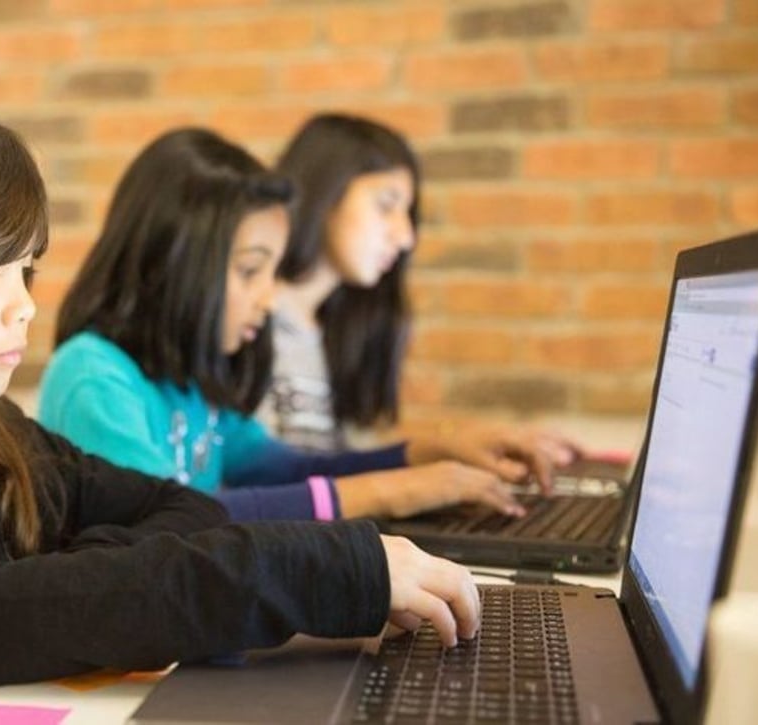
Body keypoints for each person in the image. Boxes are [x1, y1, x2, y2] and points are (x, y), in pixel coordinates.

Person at [0, 87, 482, 725]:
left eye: (27, 270)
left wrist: (62, 581)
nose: (22, 310)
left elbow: (181, 505)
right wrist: (315, 568)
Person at [39, 127, 527, 524]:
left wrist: (421, 454)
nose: (269, 299)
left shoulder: (190, 382)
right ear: (174, 262)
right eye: (251, 271)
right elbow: (174, 524)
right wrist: (384, 493)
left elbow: (287, 470)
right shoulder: (93, 377)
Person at [260, 112, 581, 483]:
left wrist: (451, 451)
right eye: (385, 205)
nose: (405, 236)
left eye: (406, 213)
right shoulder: (249, 323)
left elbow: (334, 470)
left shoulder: (336, 330)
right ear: (324, 191)